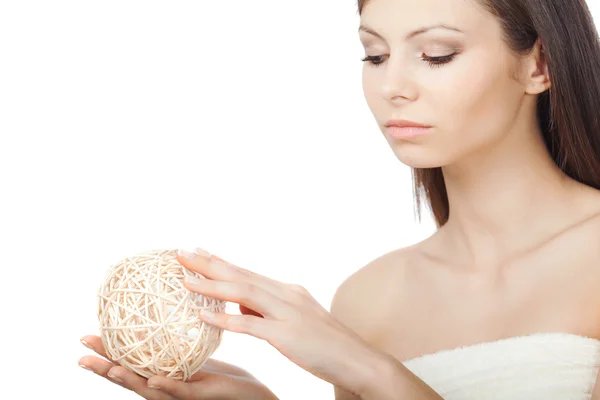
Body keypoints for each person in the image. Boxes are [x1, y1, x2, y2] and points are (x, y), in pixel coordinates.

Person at [78, 0, 600, 398]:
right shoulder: (367, 300)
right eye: (375, 55)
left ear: (539, 64)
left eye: (436, 55)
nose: (392, 85)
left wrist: (366, 368)